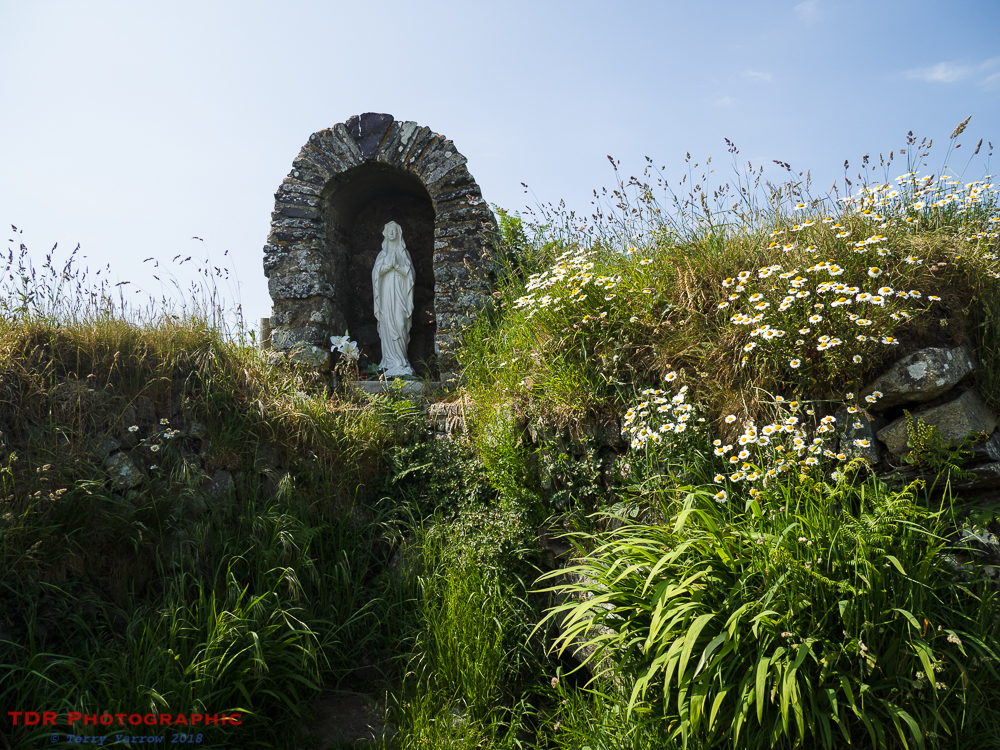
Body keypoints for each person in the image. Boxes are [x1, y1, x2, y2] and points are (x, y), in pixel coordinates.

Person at [372, 220, 416, 377]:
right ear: (385, 233)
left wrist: (397, 267)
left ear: (399, 233)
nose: (391, 232)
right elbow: (375, 275)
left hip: (400, 295)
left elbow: (411, 276)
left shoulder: (404, 254)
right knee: (387, 326)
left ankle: (401, 361)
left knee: (400, 323)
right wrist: (387, 267)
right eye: (389, 230)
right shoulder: (382, 255)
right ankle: (388, 362)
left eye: (394, 230)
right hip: (386, 296)